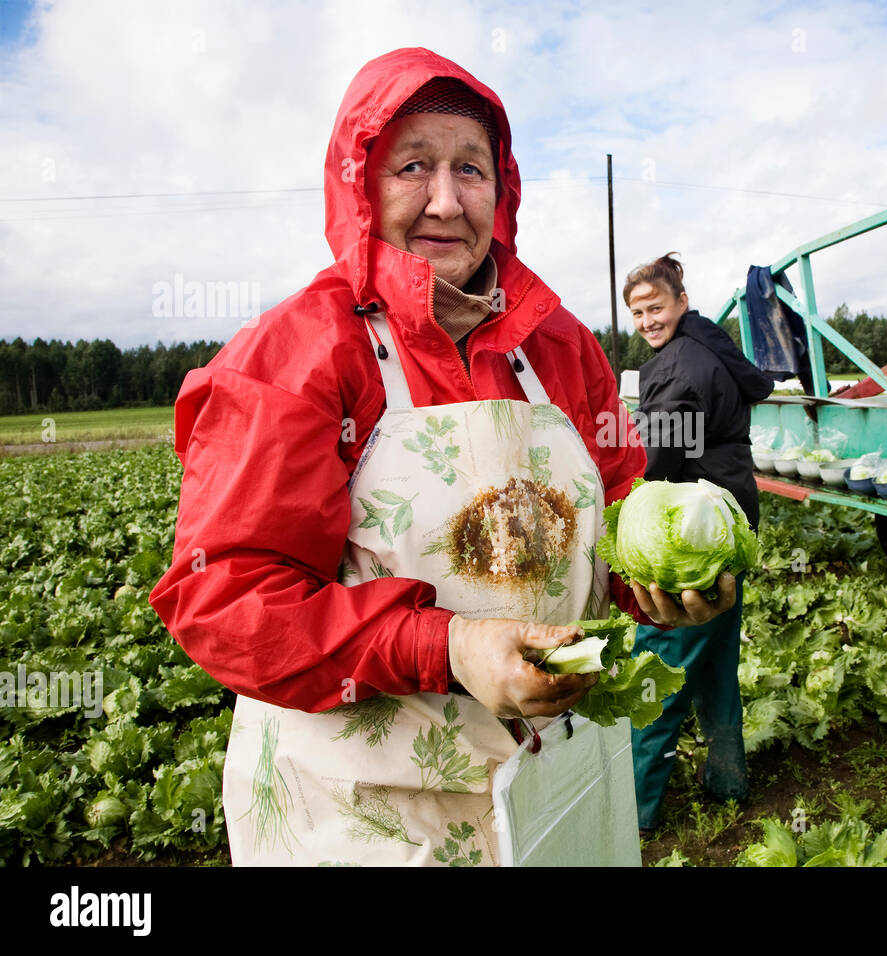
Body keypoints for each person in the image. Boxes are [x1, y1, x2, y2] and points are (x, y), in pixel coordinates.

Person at [148, 49, 733, 866]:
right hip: (367, 811)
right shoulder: (298, 354)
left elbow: (613, 513)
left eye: (472, 168)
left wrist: (650, 584)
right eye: (412, 166)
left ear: (504, 190)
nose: (447, 200)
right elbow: (230, 596)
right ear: (360, 185)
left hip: (555, 778)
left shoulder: (559, 346)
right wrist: (448, 647)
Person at [623, 253, 775, 833]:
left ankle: (635, 811)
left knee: (657, 671)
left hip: (691, 539)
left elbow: (656, 458)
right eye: (637, 312)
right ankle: (727, 779)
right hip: (727, 522)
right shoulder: (706, 347)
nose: (646, 320)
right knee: (714, 659)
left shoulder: (681, 367)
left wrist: (619, 511)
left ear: (680, 302)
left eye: (655, 307)